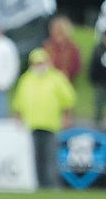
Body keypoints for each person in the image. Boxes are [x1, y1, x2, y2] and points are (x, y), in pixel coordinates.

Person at [11, 48, 76, 188]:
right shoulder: (26, 79)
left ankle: (52, 186)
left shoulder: (56, 78)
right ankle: (40, 185)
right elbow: (19, 100)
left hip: (51, 124)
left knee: (50, 159)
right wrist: (18, 116)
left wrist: (66, 116)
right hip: (33, 124)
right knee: (37, 159)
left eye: (41, 62)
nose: (39, 66)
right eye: (36, 63)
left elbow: (68, 99)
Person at [43, 15, 81, 83]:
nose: (57, 32)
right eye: (55, 29)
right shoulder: (47, 45)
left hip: (66, 80)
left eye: (60, 30)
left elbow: (77, 66)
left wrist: (67, 73)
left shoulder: (72, 47)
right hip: (49, 79)